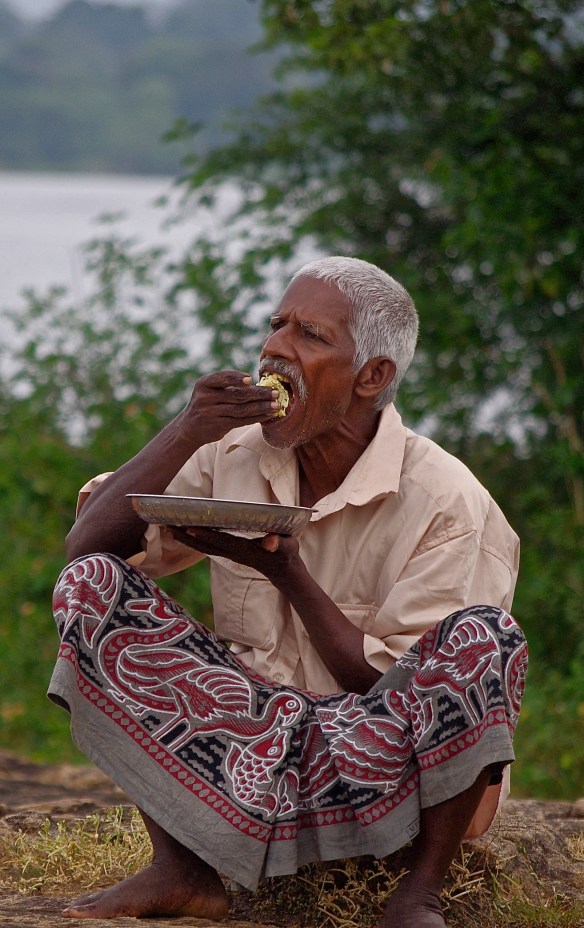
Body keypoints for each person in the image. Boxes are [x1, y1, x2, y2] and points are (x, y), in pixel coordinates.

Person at [49, 256, 527, 928]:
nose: (276, 347)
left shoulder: (447, 502)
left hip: (381, 777)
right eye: (276, 325)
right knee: (93, 583)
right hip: (253, 759)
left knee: (485, 637)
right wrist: (186, 430)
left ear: (372, 376)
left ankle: (417, 894)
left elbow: (404, 697)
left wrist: (288, 574)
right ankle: (183, 872)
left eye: (310, 335)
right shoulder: (233, 452)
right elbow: (87, 547)